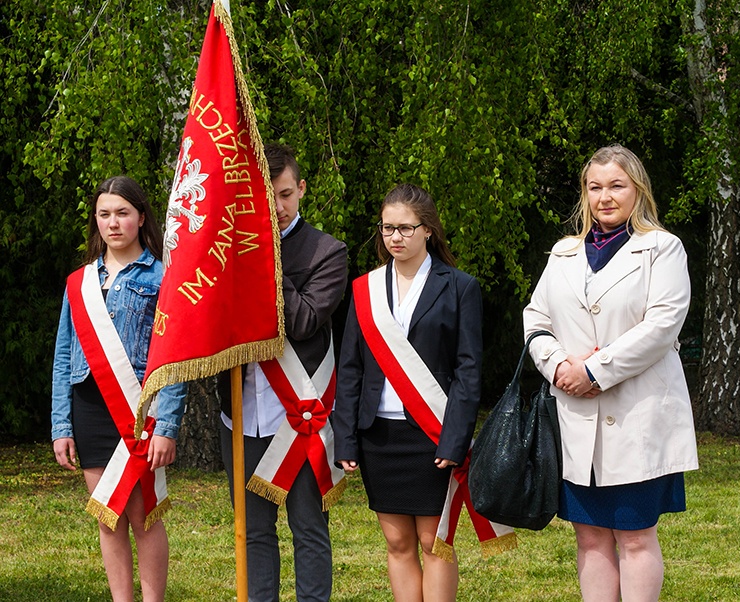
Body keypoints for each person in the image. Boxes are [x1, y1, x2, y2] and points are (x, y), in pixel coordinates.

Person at [523, 145, 699, 602]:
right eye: (595, 186)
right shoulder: (562, 253)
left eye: (616, 185)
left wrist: (594, 371)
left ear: (637, 189)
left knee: (636, 537)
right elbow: (535, 319)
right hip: (576, 421)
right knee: (590, 537)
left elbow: (661, 328)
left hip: (637, 417)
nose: (605, 196)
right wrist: (559, 365)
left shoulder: (662, 249)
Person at [333, 184, 483, 602]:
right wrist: (345, 437)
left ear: (428, 230)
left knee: (435, 543)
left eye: (405, 228)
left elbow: (469, 373)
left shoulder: (459, 287)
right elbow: (351, 369)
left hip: (433, 433)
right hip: (379, 435)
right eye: (387, 229)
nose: (395, 238)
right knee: (398, 545)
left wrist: (455, 439)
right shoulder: (364, 289)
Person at [218, 143, 348, 602]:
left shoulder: (327, 252)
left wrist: (264, 254)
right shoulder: (226, 250)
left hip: (299, 415)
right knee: (253, 533)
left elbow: (306, 321)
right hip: (242, 413)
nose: (275, 206)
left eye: (285, 194)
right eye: (264, 196)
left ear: (302, 191)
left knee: (308, 529)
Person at [51, 176, 187, 602]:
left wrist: (166, 423)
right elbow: (62, 356)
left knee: (143, 516)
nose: (113, 223)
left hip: (139, 411)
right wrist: (61, 424)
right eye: (105, 214)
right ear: (96, 221)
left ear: (141, 217)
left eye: (123, 213)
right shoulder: (79, 283)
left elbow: (176, 359)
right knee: (108, 517)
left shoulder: (165, 277)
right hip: (90, 408)